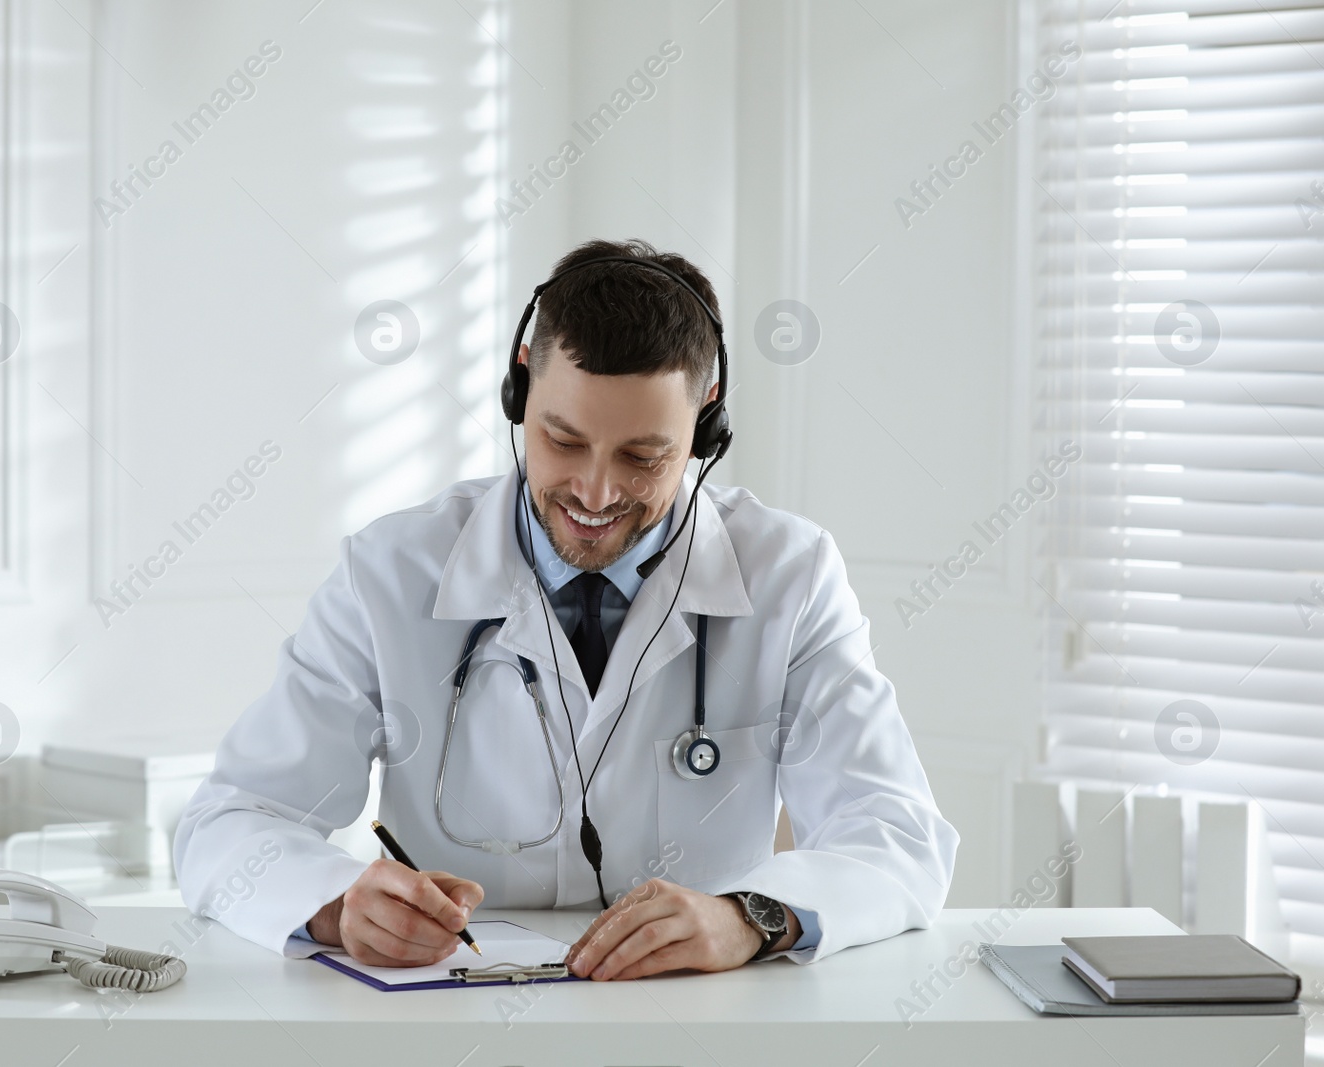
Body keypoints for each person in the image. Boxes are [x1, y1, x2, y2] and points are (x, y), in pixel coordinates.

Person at [173, 238, 959, 981]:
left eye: (643, 457)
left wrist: (749, 916)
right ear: (520, 385)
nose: (595, 492)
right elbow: (230, 822)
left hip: (701, 1023)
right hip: (450, 1022)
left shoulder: (790, 574)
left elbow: (899, 835)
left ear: (707, 418)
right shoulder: (389, 571)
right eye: (563, 440)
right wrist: (337, 906)